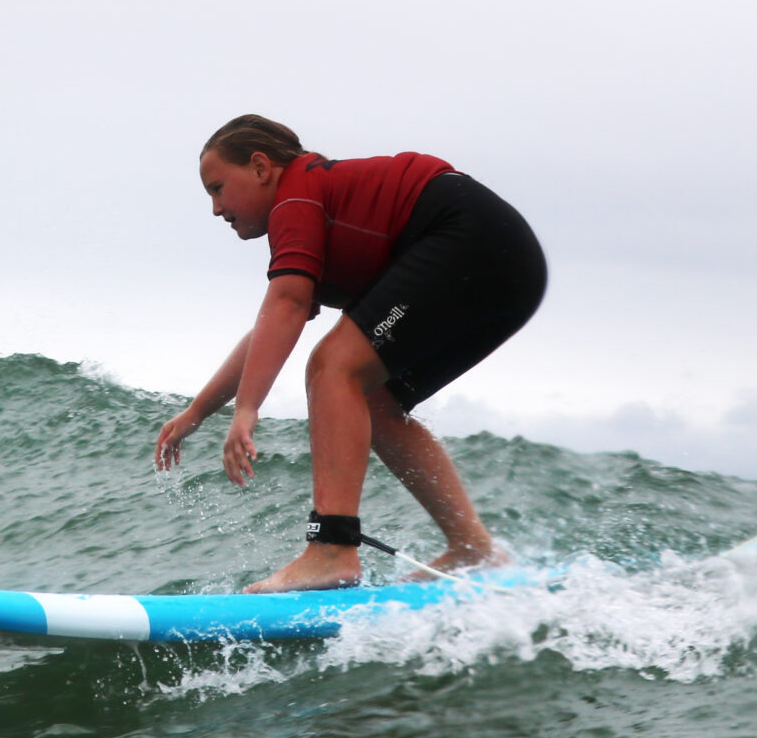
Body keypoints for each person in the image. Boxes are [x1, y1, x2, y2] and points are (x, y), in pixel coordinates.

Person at [152, 114, 546, 593]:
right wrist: (198, 411)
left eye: (217, 188)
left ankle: (333, 550)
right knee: (371, 397)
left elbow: (289, 303)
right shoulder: (319, 203)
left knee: (332, 365)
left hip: (468, 239)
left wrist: (248, 410)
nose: (215, 208)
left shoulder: (296, 197)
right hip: (511, 268)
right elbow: (272, 326)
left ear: (260, 167)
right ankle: (473, 548)